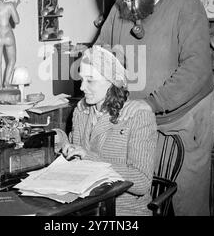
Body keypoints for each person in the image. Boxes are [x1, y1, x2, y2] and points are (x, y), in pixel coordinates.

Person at [94, 0, 214, 216]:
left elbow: (197, 69)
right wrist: (95, 76)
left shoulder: (185, 4)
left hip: (183, 123)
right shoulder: (120, 6)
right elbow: (101, 54)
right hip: (138, 122)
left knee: (185, 203)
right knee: (141, 202)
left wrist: (151, 103)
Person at [62, 45, 158, 216]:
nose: (82, 87)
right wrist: (62, 142)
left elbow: (142, 183)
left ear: (113, 81)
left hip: (123, 211)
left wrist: (89, 157)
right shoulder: (81, 112)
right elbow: (76, 162)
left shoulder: (138, 117)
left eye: (90, 80)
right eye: (82, 79)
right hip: (84, 207)